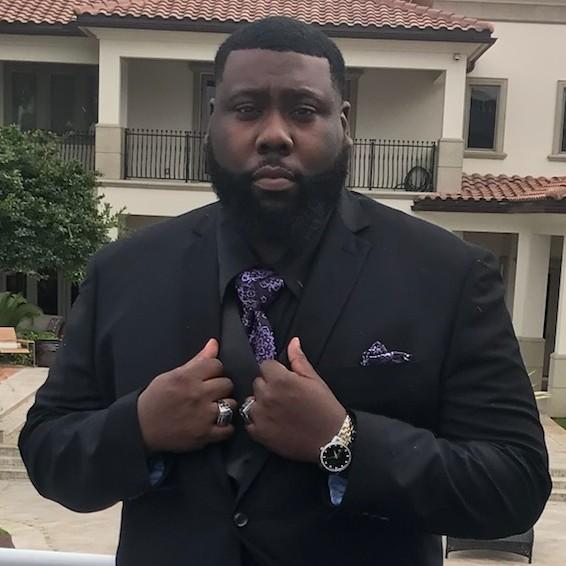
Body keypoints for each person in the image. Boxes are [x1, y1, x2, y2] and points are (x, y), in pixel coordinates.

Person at [19, 16, 551, 566]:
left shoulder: (446, 275)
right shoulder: (124, 272)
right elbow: (47, 451)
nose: (274, 134)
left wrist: (343, 441)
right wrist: (138, 428)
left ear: (343, 122)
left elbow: (514, 485)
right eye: (247, 109)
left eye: (303, 110)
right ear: (212, 120)